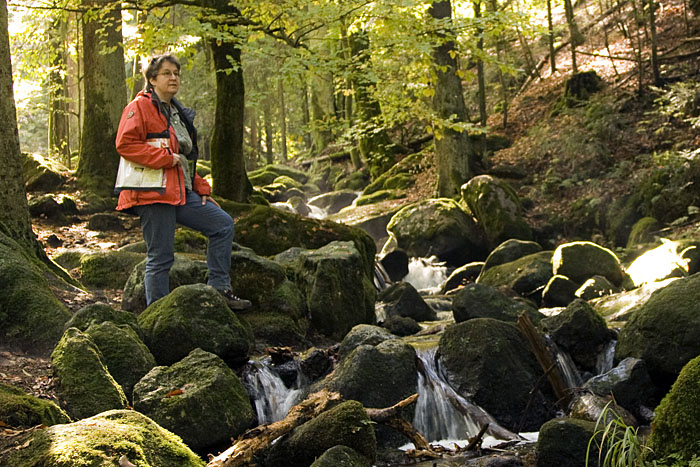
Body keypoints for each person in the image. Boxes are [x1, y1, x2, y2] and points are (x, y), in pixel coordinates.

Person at [114, 53, 251, 310]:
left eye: (176, 73)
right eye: (167, 73)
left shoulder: (176, 111)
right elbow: (125, 144)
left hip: (179, 191)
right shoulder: (139, 107)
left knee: (222, 225)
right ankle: (158, 316)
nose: (174, 78)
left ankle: (220, 289)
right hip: (151, 193)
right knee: (161, 257)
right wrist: (165, 158)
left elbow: (183, 158)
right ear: (152, 79)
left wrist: (200, 186)